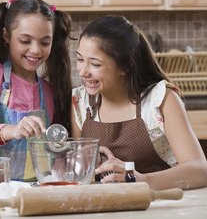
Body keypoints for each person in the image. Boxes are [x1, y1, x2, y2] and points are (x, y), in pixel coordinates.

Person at [71, 15, 207, 190]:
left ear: (126, 66)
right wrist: (87, 159)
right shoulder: (80, 102)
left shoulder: (160, 100)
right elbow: (76, 173)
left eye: (95, 64)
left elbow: (200, 170)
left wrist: (142, 180)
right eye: (80, 59)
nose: (82, 71)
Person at [0, 0, 73, 181]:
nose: (36, 50)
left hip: (35, 193)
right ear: (6, 36)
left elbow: (55, 148)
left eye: (45, 42)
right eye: (25, 40)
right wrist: (12, 130)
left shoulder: (49, 90)